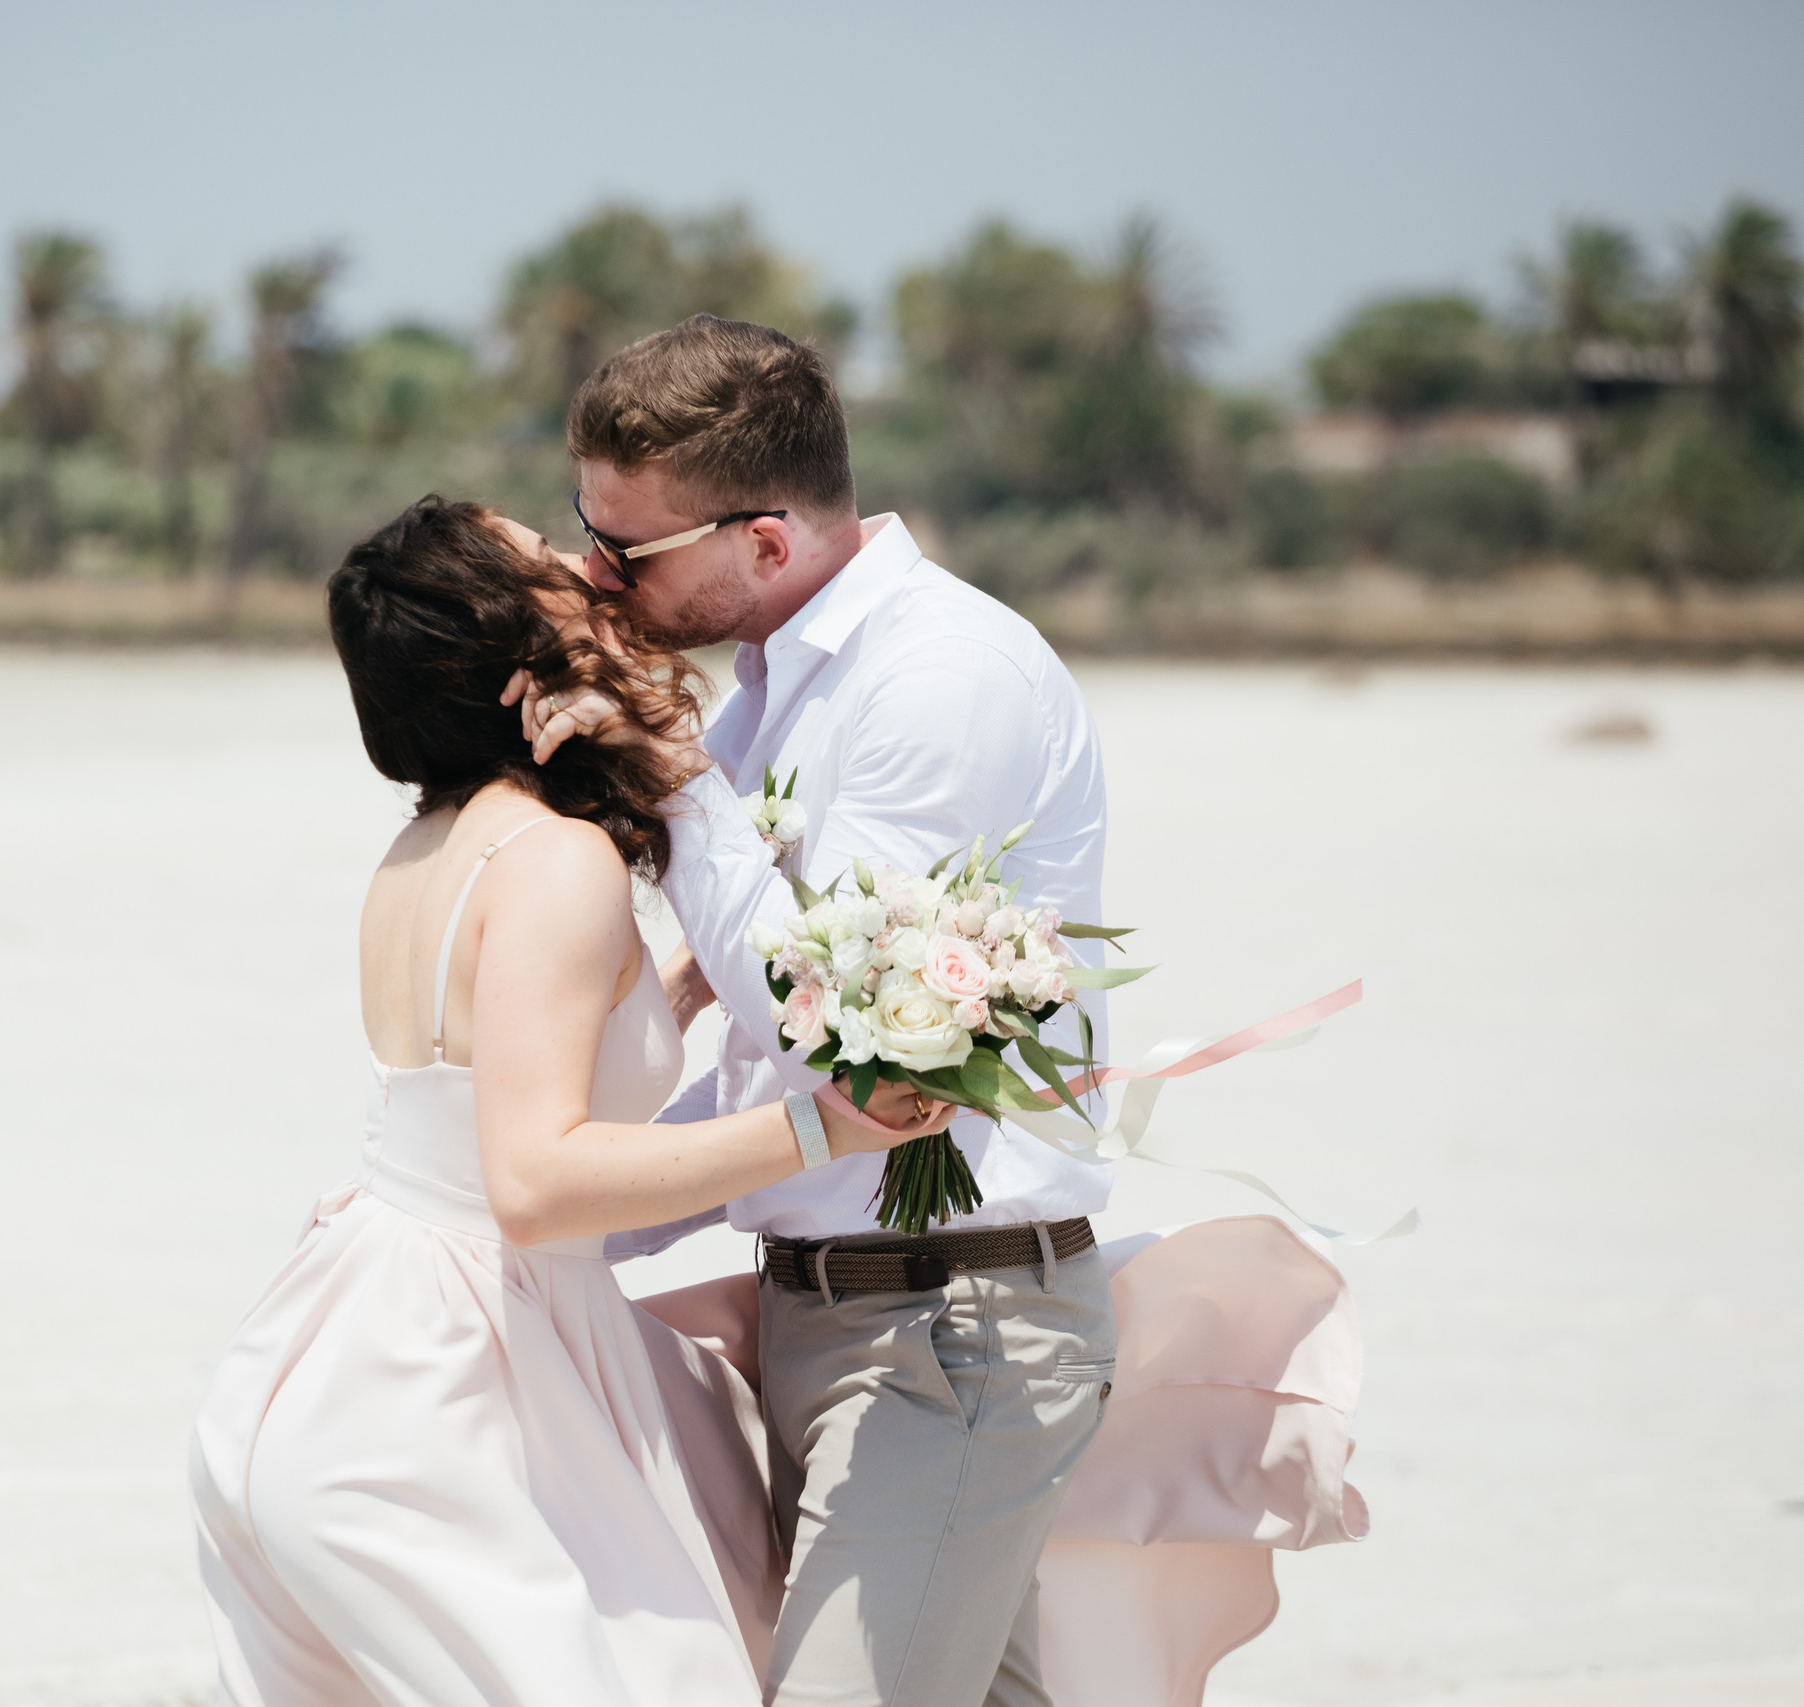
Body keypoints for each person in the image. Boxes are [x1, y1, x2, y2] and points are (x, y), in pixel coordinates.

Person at [186, 497, 942, 1707]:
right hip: (459, 1375)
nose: (585, 568)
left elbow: (501, 1067)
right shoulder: (552, 861)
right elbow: (532, 1184)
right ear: (506, 638)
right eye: (543, 558)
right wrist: (828, 1125)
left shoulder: (432, 844)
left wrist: (695, 988)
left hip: (374, 1322)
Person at [508, 313, 1118, 1707]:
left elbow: (826, 1025)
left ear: (766, 542)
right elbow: (731, 1038)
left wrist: (669, 774)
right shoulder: (773, 691)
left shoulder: (937, 679)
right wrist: (541, 1216)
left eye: (629, 550)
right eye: (585, 534)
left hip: (954, 1323)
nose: (601, 573)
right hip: (837, 1323)